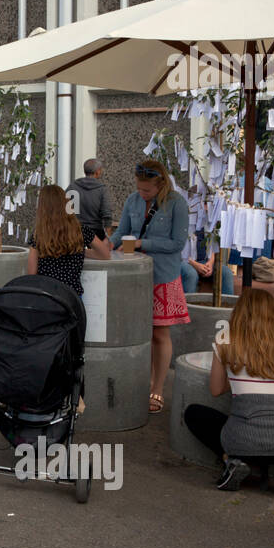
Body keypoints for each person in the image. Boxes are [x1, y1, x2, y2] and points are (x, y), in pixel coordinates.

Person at [184, 289, 274, 497]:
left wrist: (238, 376)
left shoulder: (226, 340)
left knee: (194, 413)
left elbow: (215, 390)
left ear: (240, 313)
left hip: (240, 443)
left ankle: (231, 461)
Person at [113, 159, 189, 415]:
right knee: (135, 333)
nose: (142, 193)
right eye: (140, 188)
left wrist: (141, 244)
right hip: (134, 275)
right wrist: (102, 246)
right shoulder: (132, 201)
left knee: (159, 334)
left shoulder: (177, 203)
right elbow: (120, 233)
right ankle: (140, 383)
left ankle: (157, 387)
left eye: (147, 190)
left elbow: (177, 244)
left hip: (163, 275)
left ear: (161, 184)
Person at [26, 184, 111, 297]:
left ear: (43, 208)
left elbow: (31, 274)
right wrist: (80, 251)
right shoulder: (81, 230)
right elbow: (105, 254)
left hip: (46, 298)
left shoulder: (39, 235)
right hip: (72, 300)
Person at [66, 158, 115, 235]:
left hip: (75, 232)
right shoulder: (102, 189)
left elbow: (65, 209)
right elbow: (107, 214)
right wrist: (108, 238)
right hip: (95, 233)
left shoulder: (72, 186)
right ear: (97, 172)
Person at [181, 228, 234, 296]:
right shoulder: (182, 221)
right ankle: (187, 305)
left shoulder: (208, 221)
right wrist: (195, 264)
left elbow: (213, 246)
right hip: (184, 260)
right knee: (191, 274)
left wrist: (210, 263)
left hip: (204, 261)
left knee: (226, 272)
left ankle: (227, 304)